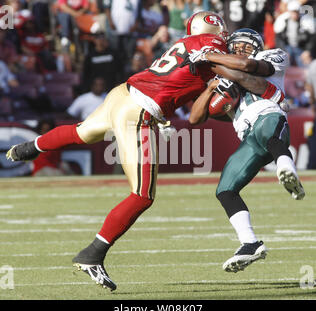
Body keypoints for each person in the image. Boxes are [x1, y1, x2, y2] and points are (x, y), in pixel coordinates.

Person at [6, 11, 228, 291]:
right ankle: (93, 253)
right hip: (139, 111)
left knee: (81, 132)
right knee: (143, 194)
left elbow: (196, 107)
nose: (225, 38)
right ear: (209, 30)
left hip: (122, 93)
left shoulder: (187, 45)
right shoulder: (209, 44)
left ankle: (32, 146)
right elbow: (228, 64)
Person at [187, 28, 305, 272]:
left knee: (267, 133)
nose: (239, 49)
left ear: (257, 47)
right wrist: (210, 87)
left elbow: (247, 70)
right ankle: (250, 243)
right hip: (247, 137)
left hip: (269, 115)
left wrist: (209, 58)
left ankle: (286, 167)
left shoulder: (274, 56)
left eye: (245, 45)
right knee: (225, 190)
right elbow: (194, 119)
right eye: (236, 45)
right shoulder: (224, 74)